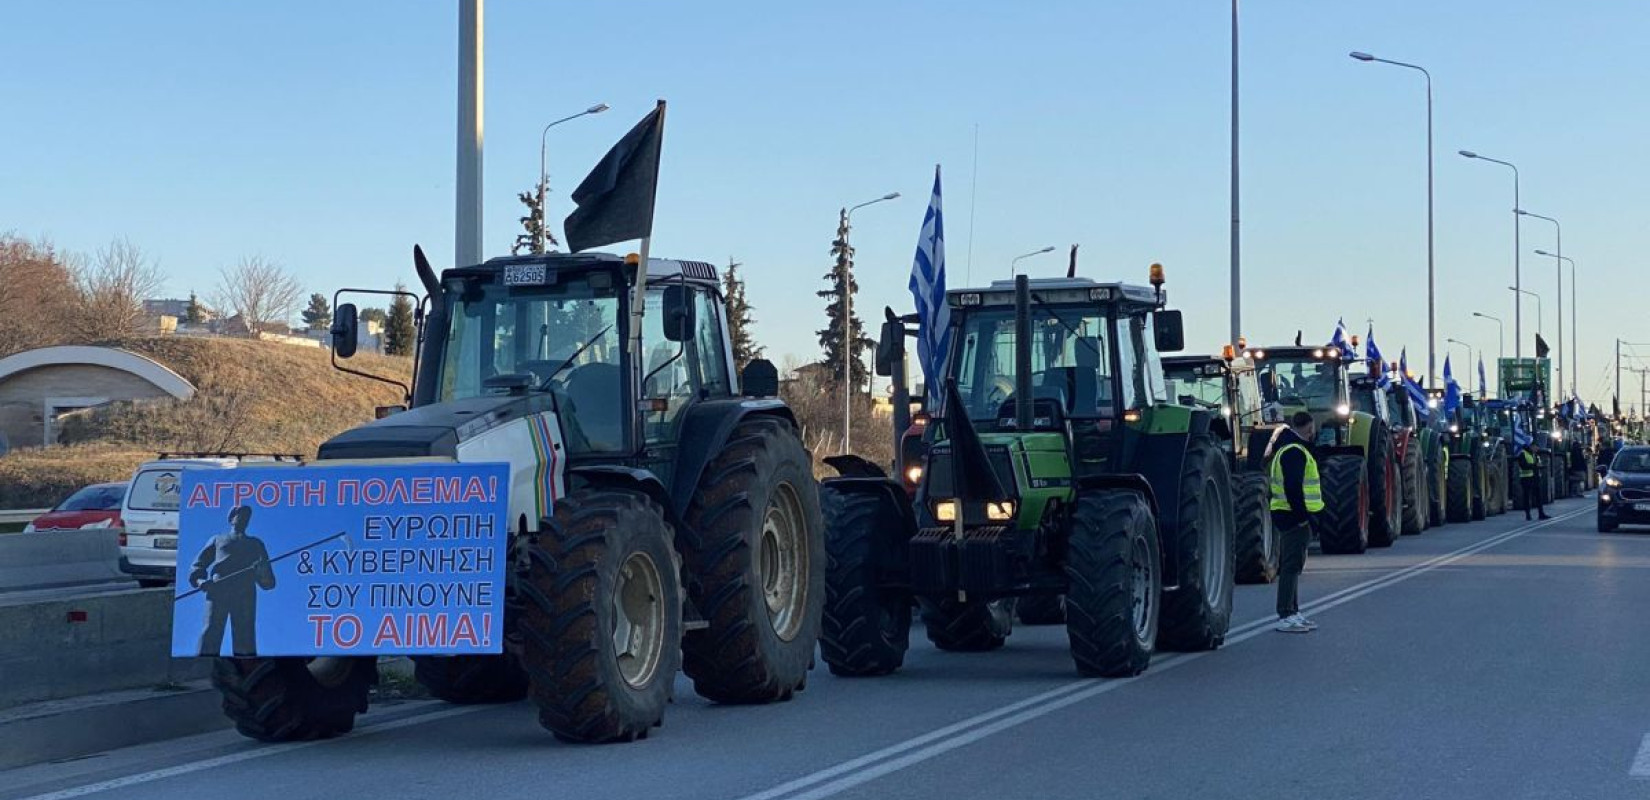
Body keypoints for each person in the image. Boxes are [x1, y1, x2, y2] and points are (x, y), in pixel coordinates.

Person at [189, 505, 276, 656]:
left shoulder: (255, 544)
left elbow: (268, 582)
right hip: (219, 588)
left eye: (247, 516)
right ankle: (203, 663)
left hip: (245, 591)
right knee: (211, 630)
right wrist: (200, 581)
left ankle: (246, 665)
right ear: (231, 519)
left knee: (245, 633)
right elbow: (198, 564)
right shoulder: (218, 539)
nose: (244, 518)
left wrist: (261, 570)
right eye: (240, 515)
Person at [1269, 411, 1323, 634]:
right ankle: (1285, 614)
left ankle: (1293, 611)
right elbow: (1293, 487)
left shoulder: (1287, 448)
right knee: (1291, 565)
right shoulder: (1295, 452)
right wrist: (1302, 518)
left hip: (1287, 513)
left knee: (1295, 563)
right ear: (1309, 428)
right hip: (1292, 515)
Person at [1518, 444, 1551, 521]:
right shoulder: (1523, 454)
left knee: (1538, 497)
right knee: (1527, 497)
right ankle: (1528, 515)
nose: (1537, 449)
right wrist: (1535, 465)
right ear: (1531, 446)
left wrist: (1541, 466)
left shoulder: (1535, 455)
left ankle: (1541, 514)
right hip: (1526, 478)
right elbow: (1523, 466)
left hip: (1535, 478)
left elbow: (1537, 464)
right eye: (1536, 448)